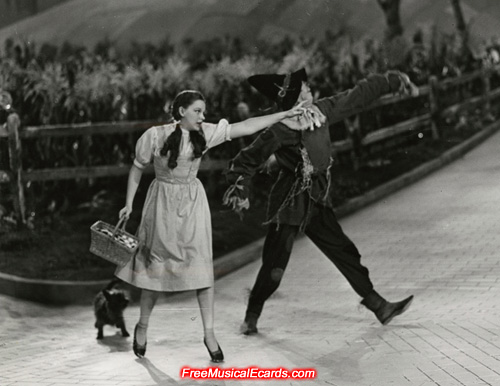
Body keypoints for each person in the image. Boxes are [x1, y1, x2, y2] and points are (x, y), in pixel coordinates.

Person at [223, 68, 419, 335]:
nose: (309, 89)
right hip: (288, 204)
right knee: (274, 267)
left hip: (316, 198)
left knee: (343, 249)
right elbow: (246, 159)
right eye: (303, 88)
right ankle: (252, 314)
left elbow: (355, 97)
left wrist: (391, 81)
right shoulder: (280, 130)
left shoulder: (321, 111)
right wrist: (240, 191)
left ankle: (379, 306)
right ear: (293, 98)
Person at [114, 90, 306, 362]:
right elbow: (137, 168)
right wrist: (129, 203)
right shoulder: (154, 136)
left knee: (202, 269)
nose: (203, 116)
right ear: (182, 111)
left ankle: (209, 333)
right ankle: (142, 326)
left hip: (193, 205)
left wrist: (284, 114)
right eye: (198, 111)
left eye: (204, 111)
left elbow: (247, 126)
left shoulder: (205, 132)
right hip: (162, 206)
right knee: (155, 271)